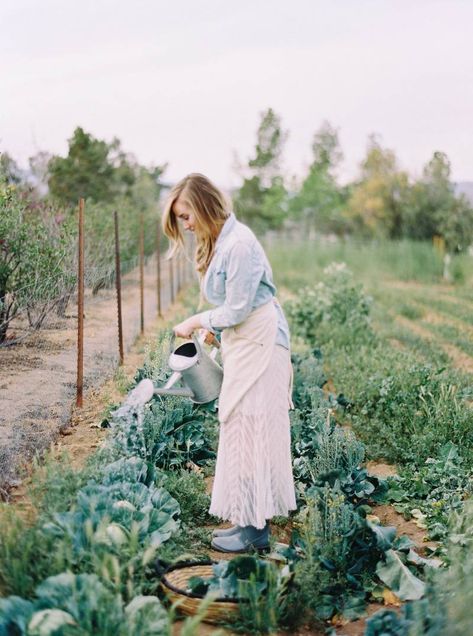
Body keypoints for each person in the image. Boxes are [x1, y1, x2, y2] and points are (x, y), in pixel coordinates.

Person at [162, 173, 296, 553]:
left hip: (263, 343)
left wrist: (197, 321)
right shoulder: (223, 243)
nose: (186, 226)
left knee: (256, 428)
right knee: (239, 426)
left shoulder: (239, 244)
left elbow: (238, 308)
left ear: (203, 206)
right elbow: (236, 308)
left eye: (186, 216)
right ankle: (245, 520)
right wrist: (216, 331)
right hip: (244, 340)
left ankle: (257, 530)